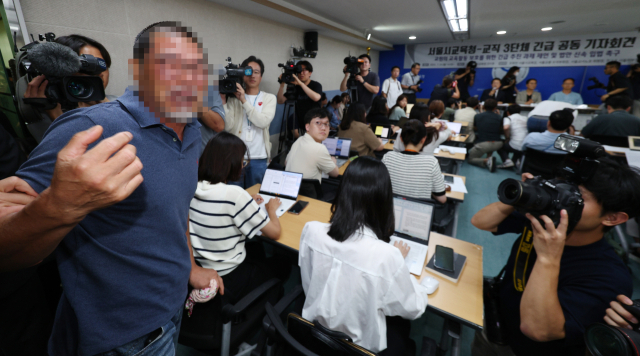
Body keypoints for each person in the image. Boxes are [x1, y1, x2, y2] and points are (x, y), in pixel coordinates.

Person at [4, 21, 217, 355]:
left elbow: (176, 210)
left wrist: (190, 267)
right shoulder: (91, 126)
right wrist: (57, 208)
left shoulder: (191, 133)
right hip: (124, 339)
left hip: (174, 310)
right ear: (139, 70)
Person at [470, 158, 640, 356]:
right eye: (564, 186)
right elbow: (481, 222)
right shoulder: (546, 220)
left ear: (612, 218)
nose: (560, 196)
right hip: (497, 324)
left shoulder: (609, 277)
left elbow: (538, 330)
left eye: (577, 195)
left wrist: (548, 259)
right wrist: (521, 197)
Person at [299, 156, 429, 355]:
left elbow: (308, 280)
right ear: (384, 200)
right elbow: (413, 308)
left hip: (313, 332)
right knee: (402, 329)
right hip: (358, 349)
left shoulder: (311, 230)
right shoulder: (387, 256)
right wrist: (409, 277)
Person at [189, 132, 288, 305]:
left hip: (202, 267)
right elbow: (275, 233)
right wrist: (271, 209)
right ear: (231, 163)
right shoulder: (234, 195)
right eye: (242, 162)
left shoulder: (192, 187)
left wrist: (246, 200)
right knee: (282, 264)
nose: (243, 167)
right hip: (229, 276)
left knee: (256, 247)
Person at [23, 34, 114, 121]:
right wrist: (56, 116)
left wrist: (112, 109)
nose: (99, 74)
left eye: (103, 66)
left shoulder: (117, 103)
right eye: (86, 67)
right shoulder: (44, 112)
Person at [222, 55, 276, 188]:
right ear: (243, 74)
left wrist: (244, 101)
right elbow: (228, 127)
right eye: (248, 71)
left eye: (256, 72)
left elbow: (263, 122)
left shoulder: (269, 98)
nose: (252, 75)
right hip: (235, 159)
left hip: (259, 159)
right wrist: (223, 100)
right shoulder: (234, 98)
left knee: (255, 200)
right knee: (234, 199)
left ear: (261, 77)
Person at [382, 119, 446, 202]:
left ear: (401, 138)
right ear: (423, 139)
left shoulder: (388, 157)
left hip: (389, 210)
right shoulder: (431, 163)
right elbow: (442, 199)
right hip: (416, 213)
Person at [286, 108, 339, 182]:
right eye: (318, 123)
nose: (323, 128)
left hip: (290, 189)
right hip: (307, 192)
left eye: (326, 124)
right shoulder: (319, 148)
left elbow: (286, 162)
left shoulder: (299, 140)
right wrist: (333, 161)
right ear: (307, 127)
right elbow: (335, 173)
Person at [277, 60, 322, 140]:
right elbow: (280, 101)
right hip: (301, 122)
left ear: (310, 73)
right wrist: (282, 85)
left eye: (304, 70)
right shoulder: (295, 87)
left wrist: (301, 84)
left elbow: (316, 98)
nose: (301, 73)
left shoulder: (316, 85)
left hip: (315, 122)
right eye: (299, 70)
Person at [468, 98, 503, 172]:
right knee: (490, 139)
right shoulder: (499, 117)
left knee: (471, 159)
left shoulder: (477, 116)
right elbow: (500, 129)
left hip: (483, 144)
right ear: (495, 108)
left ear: (483, 107)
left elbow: (475, 128)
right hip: (498, 143)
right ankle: (489, 157)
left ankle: (487, 161)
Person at [497, 104, 528, 168]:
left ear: (508, 112)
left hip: (515, 145)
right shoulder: (525, 118)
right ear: (520, 112)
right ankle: (515, 161)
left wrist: (507, 137)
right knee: (515, 145)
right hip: (525, 145)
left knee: (500, 146)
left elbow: (506, 128)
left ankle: (507, 161)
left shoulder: (508, 118)